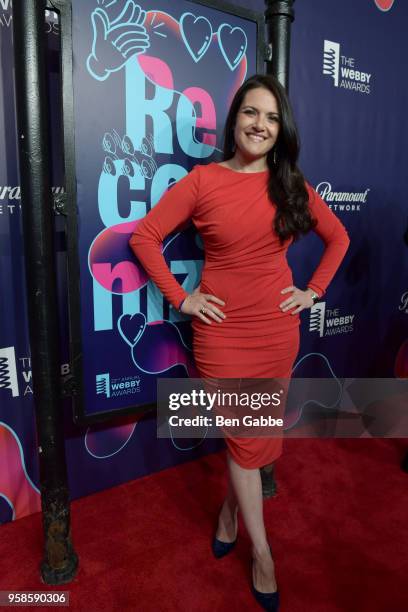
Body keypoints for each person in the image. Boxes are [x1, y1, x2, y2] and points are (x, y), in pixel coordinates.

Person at [129, 74, 350, 610]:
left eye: (272, 118)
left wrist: (313, 290)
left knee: (252, 446)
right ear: (235, 120)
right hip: (223, 335)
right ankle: (264, 555)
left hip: (276, 333)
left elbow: (338, 237)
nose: (261, 125)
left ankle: (229, 515)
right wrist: (182, 299)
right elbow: (144, 237)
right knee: (248, 445)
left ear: (282, 128)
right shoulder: (203, 182)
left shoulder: (289, 183)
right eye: (252, 113)